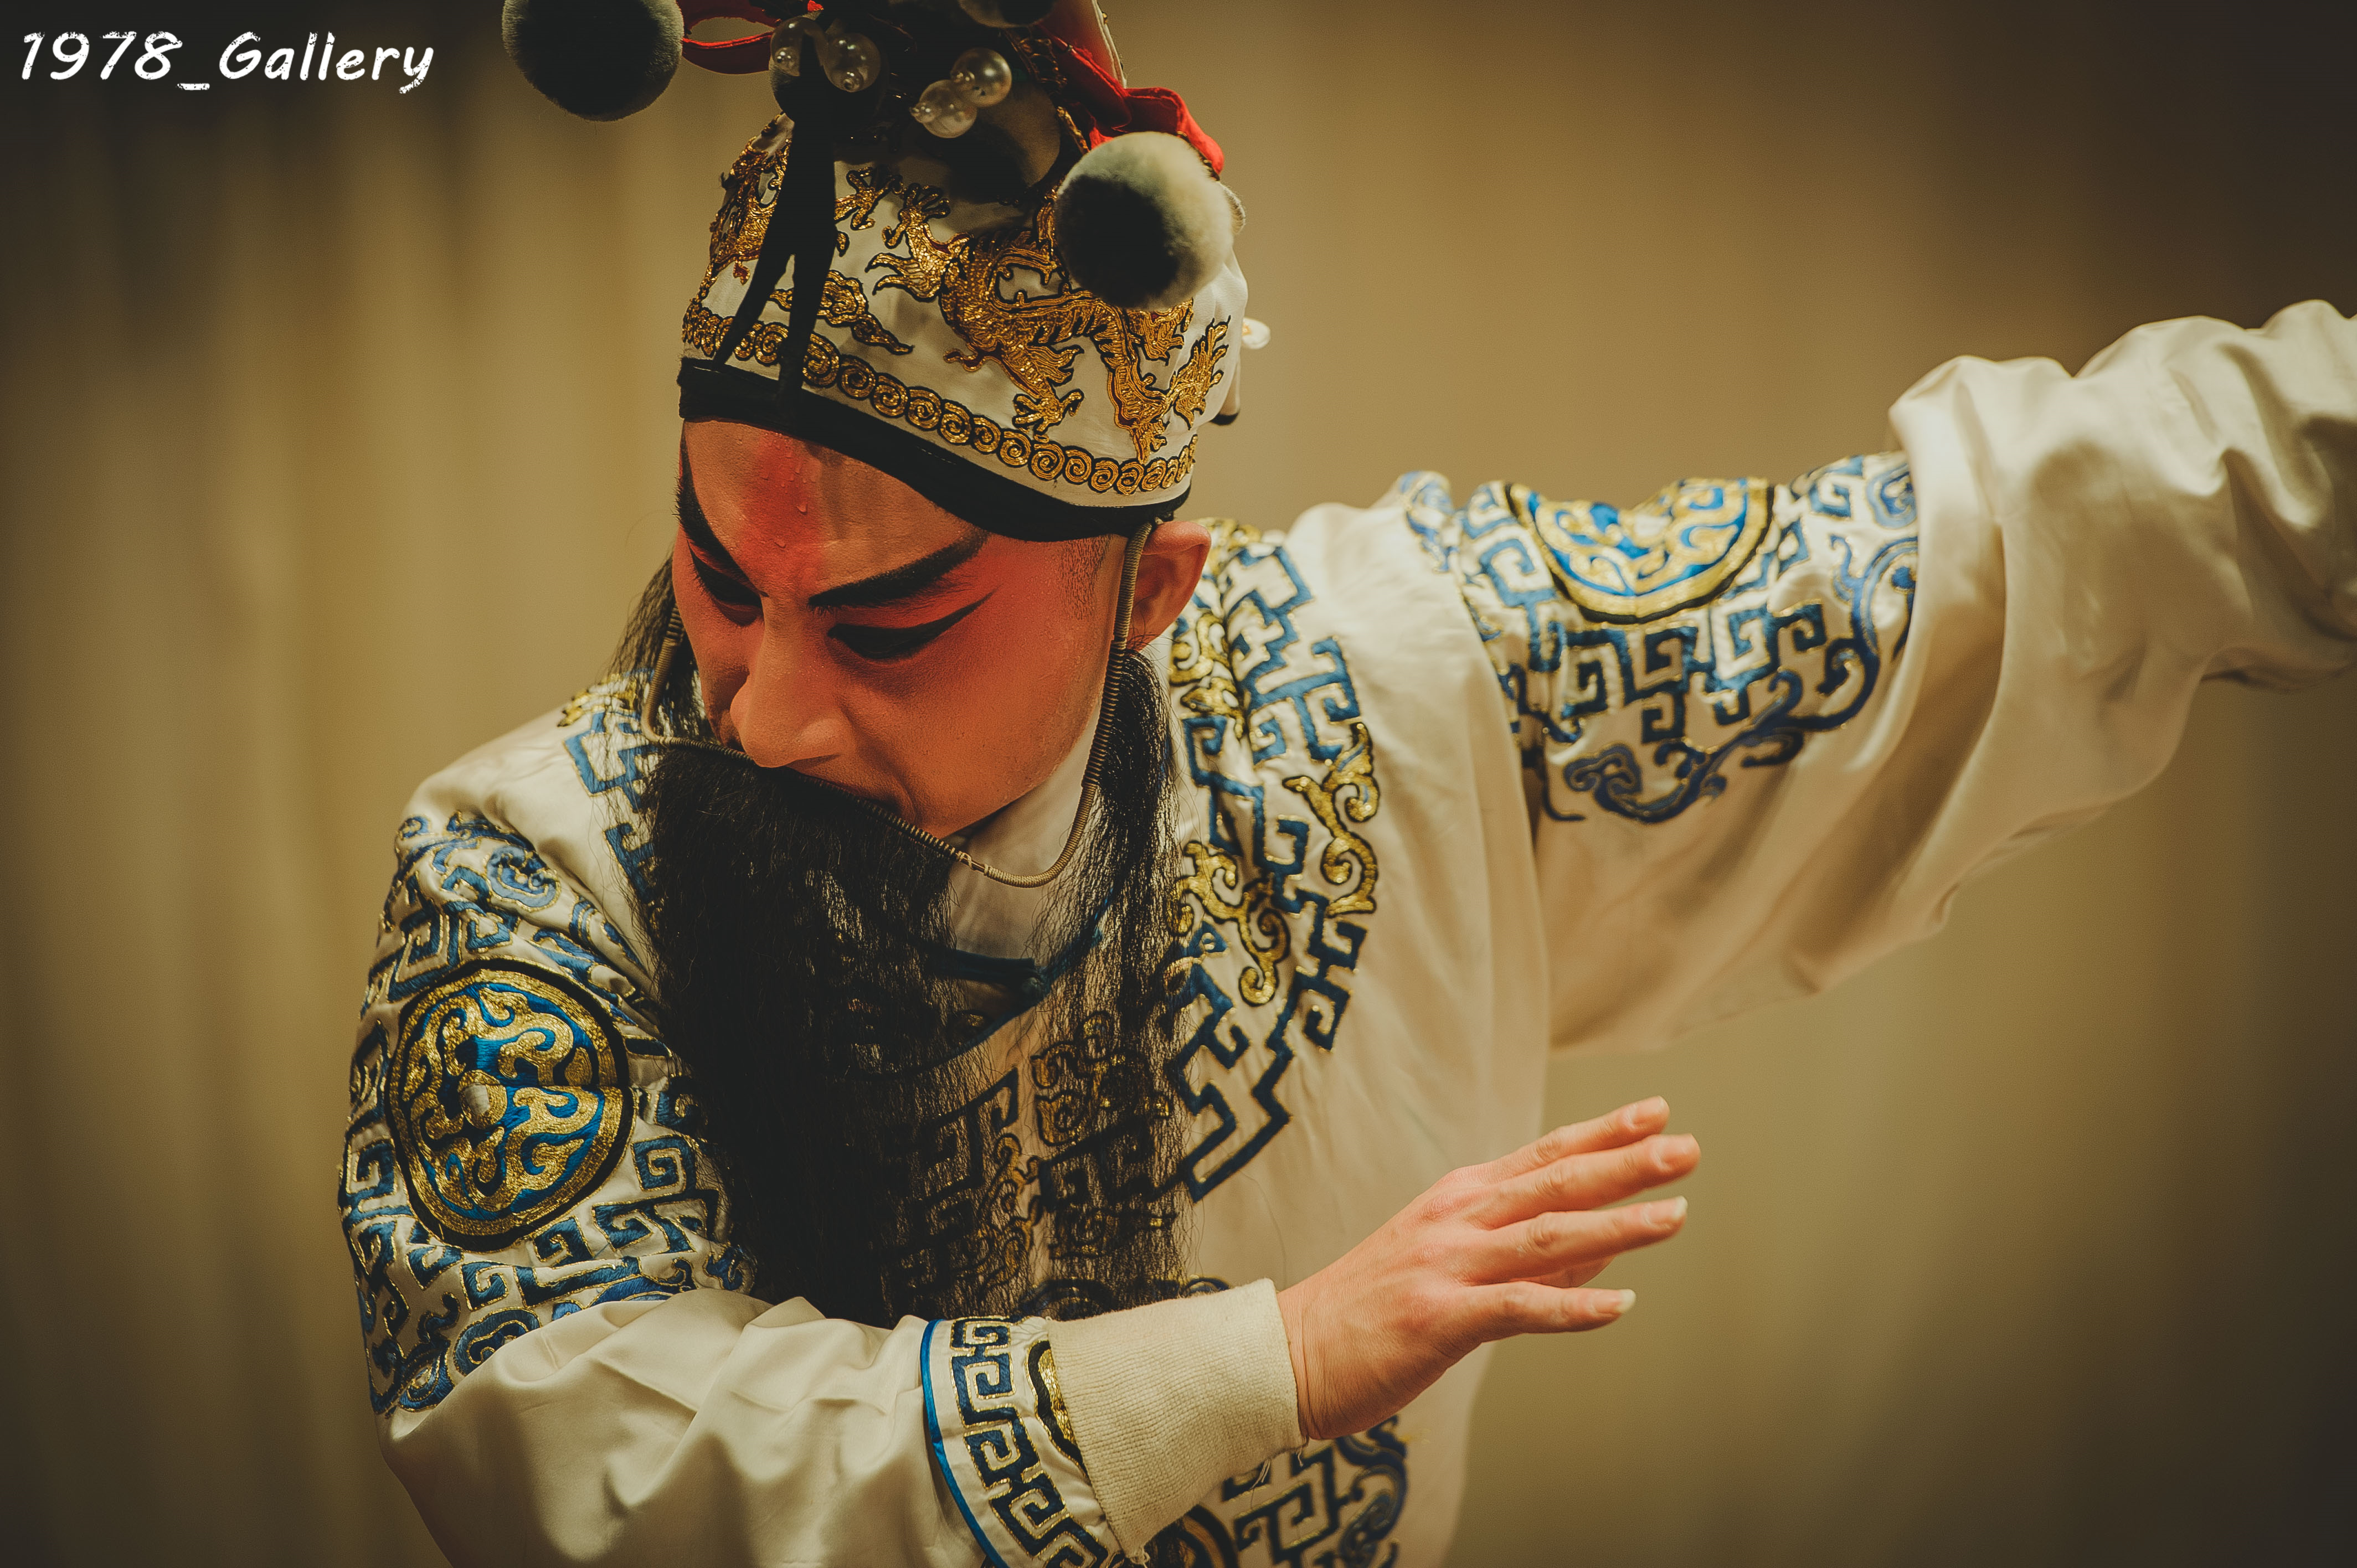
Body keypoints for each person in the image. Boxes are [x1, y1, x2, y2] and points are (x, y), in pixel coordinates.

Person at [340, 3, 2357, 1564]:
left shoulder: (1387, 693)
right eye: (718, 581)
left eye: (890, 626)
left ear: (1149, 591)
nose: (764, 716)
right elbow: (585, 1446)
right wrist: (1277, 1361)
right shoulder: (537, 875)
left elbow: (2040, 531)